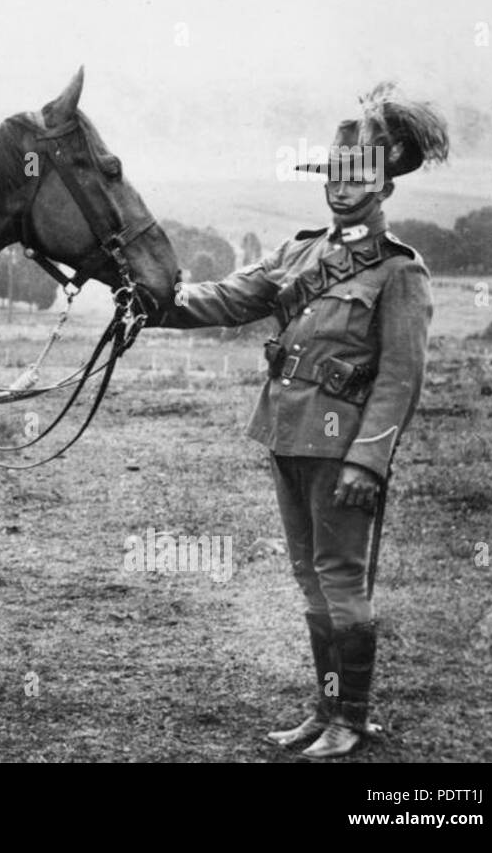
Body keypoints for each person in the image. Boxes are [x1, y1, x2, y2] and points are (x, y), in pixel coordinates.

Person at [155, 83, 448, 758]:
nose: (342, 190)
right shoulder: (301, 253)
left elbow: (402, 379)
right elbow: (225, 298)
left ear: (384, 190)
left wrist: (367, 462)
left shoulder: (400, 272)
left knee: (341, 580)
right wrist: (152, 300)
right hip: (286, 436)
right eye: (335, 176)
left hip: (343, 453)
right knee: (311, 580)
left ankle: (353, 718)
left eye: (358, 179)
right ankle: (323, 711)